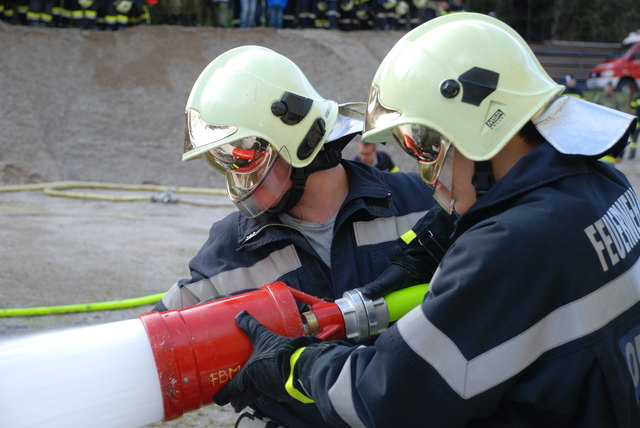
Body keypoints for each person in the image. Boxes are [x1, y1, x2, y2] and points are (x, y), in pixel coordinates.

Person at [213, 13, 640, 427]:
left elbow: (386, 396)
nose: (428, 179)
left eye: (424, 145)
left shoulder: (511, 246)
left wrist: (294, 364)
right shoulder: (605, 186)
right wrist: (435, 240)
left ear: (478, 127)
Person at [153, 45, 436, 427]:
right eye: (223, 159)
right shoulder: (231, 250)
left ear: (296, 136)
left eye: (242, 154)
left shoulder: (420, 206)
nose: (235, 175)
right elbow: (152, 348)